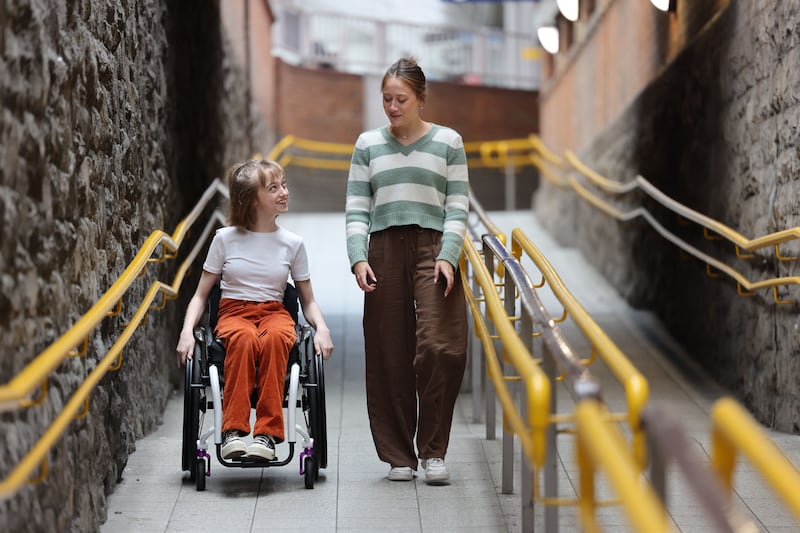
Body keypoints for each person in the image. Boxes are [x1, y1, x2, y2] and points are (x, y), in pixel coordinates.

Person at [345, 57, 469, 485]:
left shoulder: (449, 142)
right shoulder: (368, 145)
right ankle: (399, 454)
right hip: (382, 249)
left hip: (433, 247)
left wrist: (448, 255)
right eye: (386, 99)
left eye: (400, 99)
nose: (392, 107)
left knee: (441, 345)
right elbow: (358, 206)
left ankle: (434, 450)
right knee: (387, 348)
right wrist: (358, 257)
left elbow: (457, 206)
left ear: (420, 99)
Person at [176, 159, 334, 461]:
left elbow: (308, 301)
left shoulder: (292, 243)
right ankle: (233, 432)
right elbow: (199, 295)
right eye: (274, 188)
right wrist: (186, 332)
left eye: (283, 185)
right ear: (251, 199)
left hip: (275, 312)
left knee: (276, 339)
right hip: (234, 312)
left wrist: (322, 329)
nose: (284, 192)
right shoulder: (224, 239)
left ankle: (266, 436)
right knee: (244, 339)